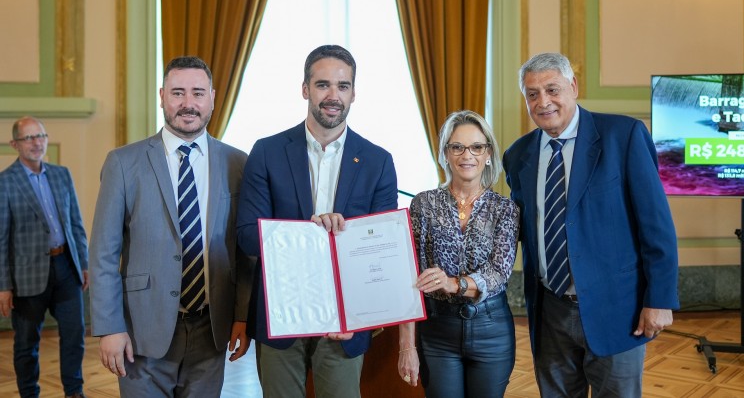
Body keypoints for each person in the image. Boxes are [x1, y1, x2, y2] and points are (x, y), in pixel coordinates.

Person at [503, 52, 680, 397]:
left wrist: (659, 299)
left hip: (618, 310)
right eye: (532, 94)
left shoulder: (623, 135)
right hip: (550, 311)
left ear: (573, 86)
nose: (544, 102)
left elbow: (656, 225)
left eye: (552, 89)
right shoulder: (518, 154)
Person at [236, 44, 398, 398]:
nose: (333, 95)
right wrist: (311, 233)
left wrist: (364, 316)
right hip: (281, 315)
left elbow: (381, 249)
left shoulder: (378, 161)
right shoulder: (266, 152)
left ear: (354, 93)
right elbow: (248, 236)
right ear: (305, 89)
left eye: (343, 86)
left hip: (344, 321)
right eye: (323, 84)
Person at [89, 56, 254, 397]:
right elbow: (104, 253)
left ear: (212, 97)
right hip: (140, 332)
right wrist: (109, 328)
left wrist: (241, 317)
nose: (188, 104)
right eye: (178, 93)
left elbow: (243, 254)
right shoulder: (123, 162)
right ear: (162, 96)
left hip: (212, 329)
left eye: (197, 93)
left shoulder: (238, 163)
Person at [397, 110, 519, 398]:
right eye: (457, 147)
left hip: (492, 330)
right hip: (437, 331)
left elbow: (498, 273)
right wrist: (406, 346)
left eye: (477, 147)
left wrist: (455, 284)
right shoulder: (423, 205)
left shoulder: (505, 209)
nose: (468, 155)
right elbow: (408, 277)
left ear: (488, 153)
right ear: (446, 154)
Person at [0, 116, 89, 398]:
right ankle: (29, 393)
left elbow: (76, 222)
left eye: (41, 135)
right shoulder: (4, 182)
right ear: (15, 144)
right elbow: (1, 238)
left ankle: (74, 391)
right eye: (29, 138)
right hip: (26, 275)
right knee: (27, 342)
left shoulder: (62, 174)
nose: (37, 142)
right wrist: (3, 285)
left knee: (75, 335)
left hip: (66, 266)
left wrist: (84, 263)